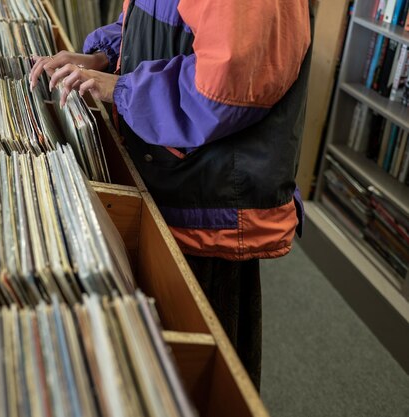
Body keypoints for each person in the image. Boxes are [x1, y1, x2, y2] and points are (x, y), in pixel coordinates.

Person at [30, 0, 313, 390]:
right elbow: (154, 23)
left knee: (196, 382)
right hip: (173, 187)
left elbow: (225, 88)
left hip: (208, 207)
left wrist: (124, 88)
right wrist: (103, 55)